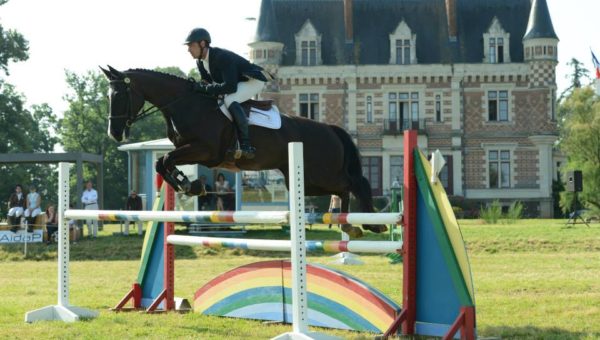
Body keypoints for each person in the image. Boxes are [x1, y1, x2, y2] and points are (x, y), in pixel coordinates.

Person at [185, 27, 274, 160]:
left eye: (191, 45)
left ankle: (245, 144)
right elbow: (209, 84)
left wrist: (204, 89)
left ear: (202, 44)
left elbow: (230, 87)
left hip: (253, 81)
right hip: (236, 82)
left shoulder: (221, 57)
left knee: (230, 100)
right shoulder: (200, 62)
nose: (188, 50)